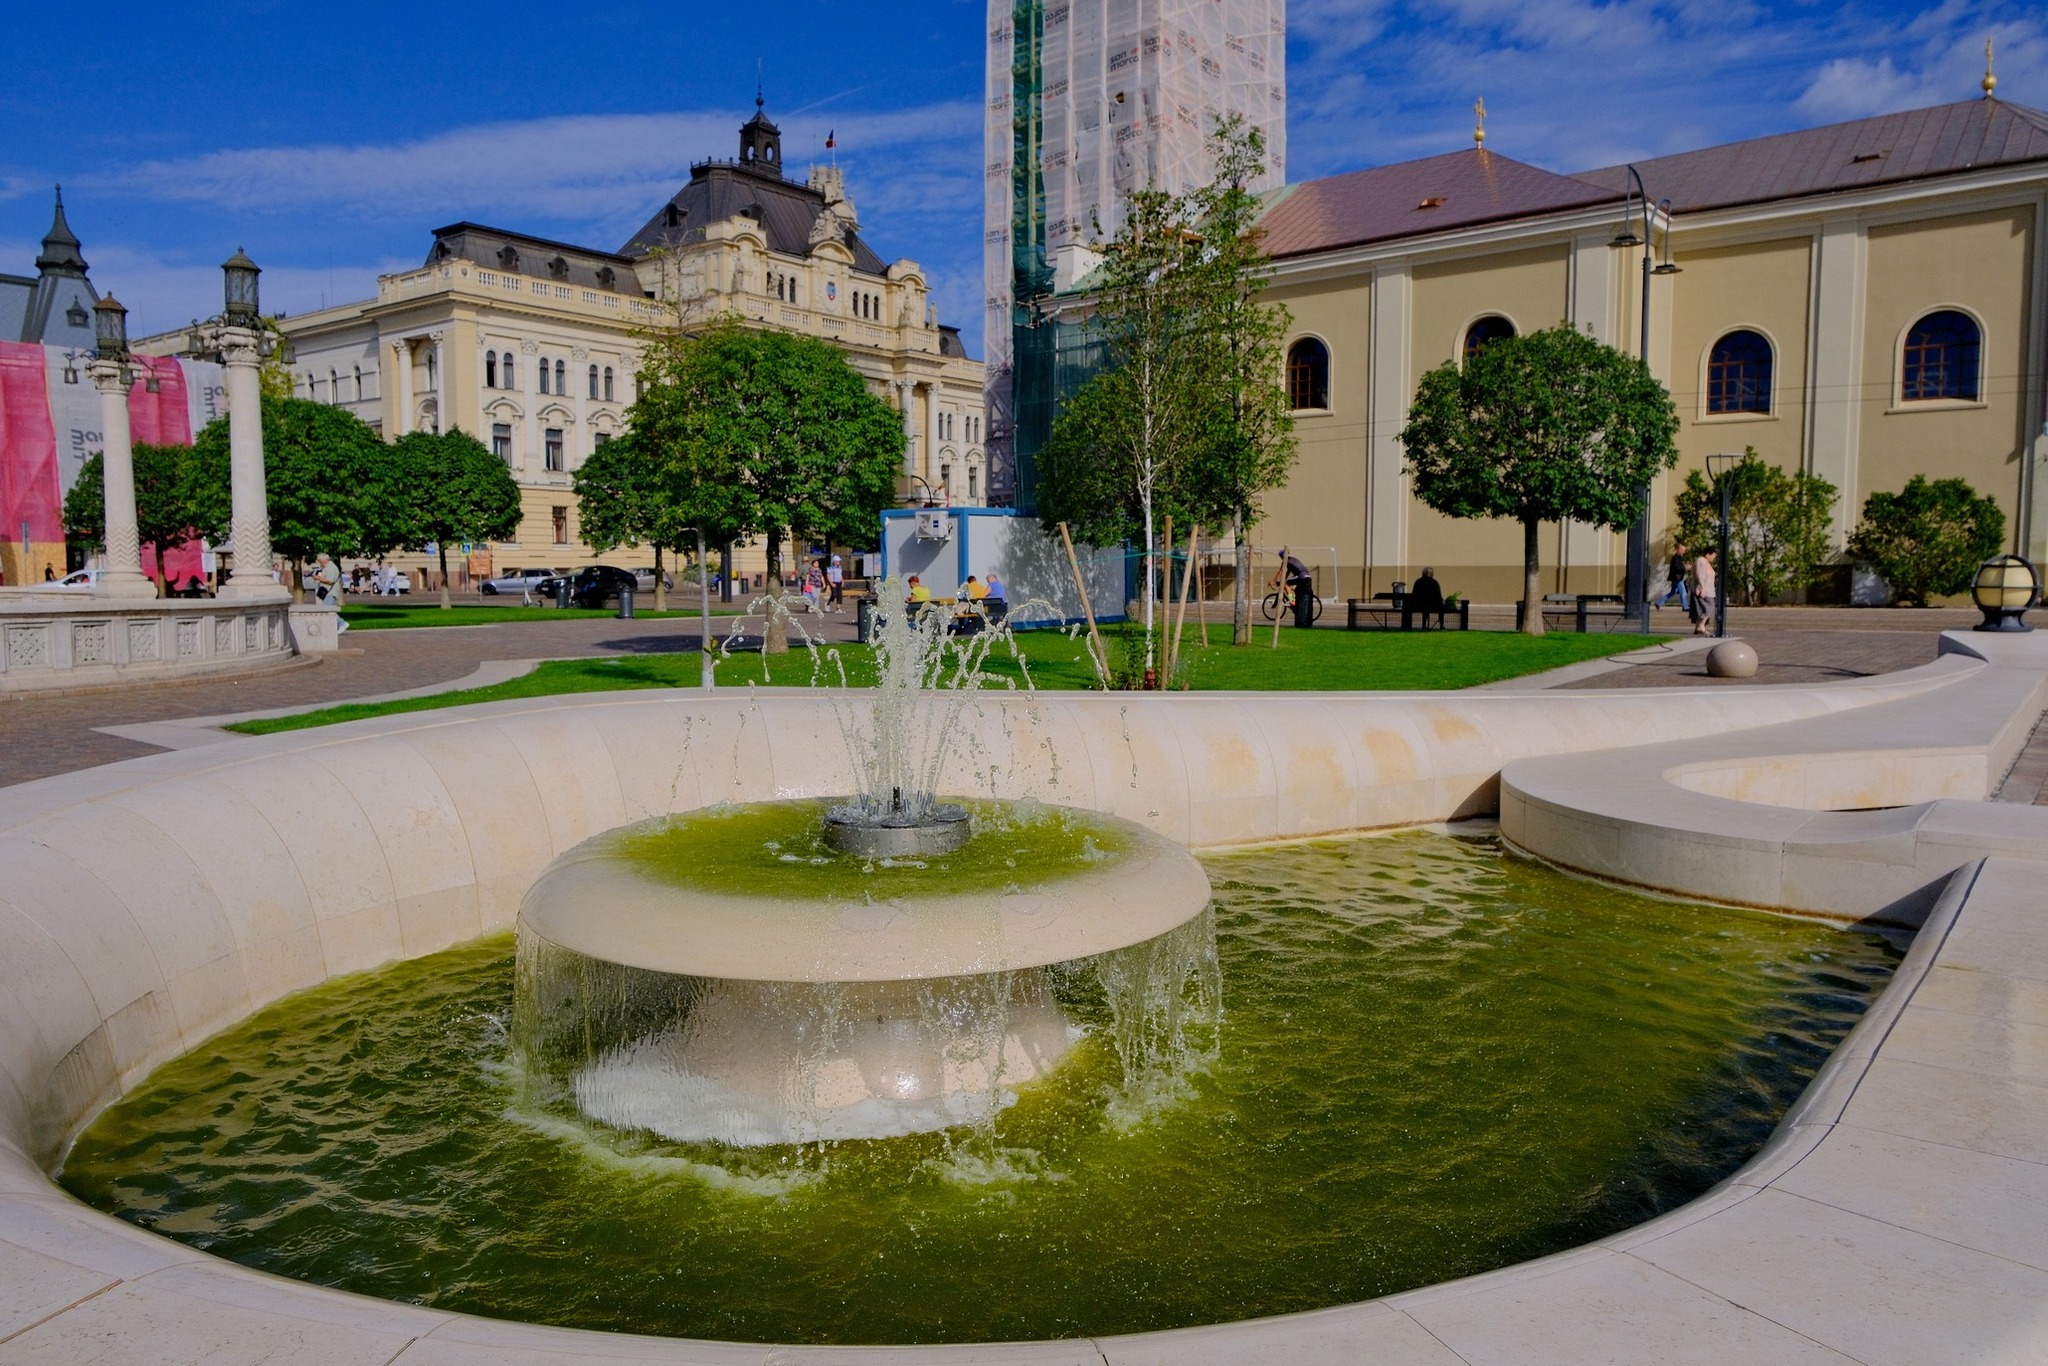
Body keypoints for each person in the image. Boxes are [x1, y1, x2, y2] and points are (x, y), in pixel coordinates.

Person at [1690, 548, 1718, 637]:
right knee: (1709, 608)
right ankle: (1701, 626)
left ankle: (1699, 627)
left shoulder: (1705, 563)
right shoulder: (1701, 561)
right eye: (1713, 555)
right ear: (1708, 554)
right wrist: (1702, 587)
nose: (1714, 558)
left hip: (1708, 590)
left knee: (1703, 608)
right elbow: (1700, 575)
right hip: (1704, 590)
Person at [1659, 544, 1690, 611]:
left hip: (1676, 577)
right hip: (1677, 578)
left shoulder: (1678, 558)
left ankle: (1659, 602)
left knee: (1673, 592)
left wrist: (1684, 567)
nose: (1684, 552)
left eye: (1684, 550)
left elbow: (1678, 567)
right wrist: (1685, 568)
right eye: (1683, 550)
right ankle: (1685, 606)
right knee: (1683, 592)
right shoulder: (1676, 558)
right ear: (1678, 550)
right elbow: (1676, 568)